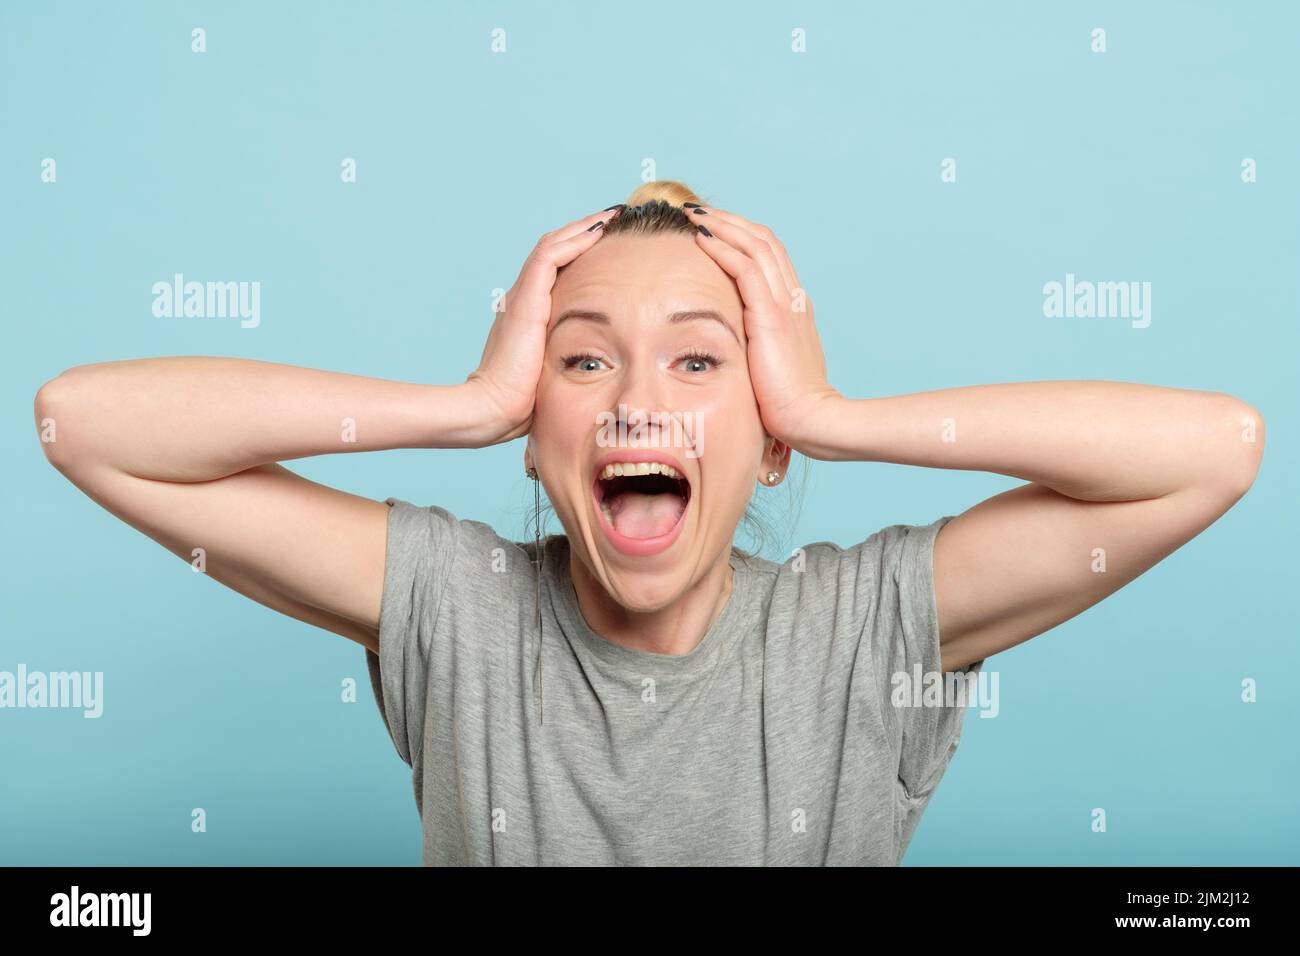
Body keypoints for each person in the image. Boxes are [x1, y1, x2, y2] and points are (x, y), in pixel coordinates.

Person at [33, 181, 1265, 866]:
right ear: (534, 421)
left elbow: (1215, 452)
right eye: (579, 365)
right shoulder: (454, 610)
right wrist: (459, 406)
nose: (634, 401)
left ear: (767, 433)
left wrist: (835, 413)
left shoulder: (863, 630)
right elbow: (83, 422)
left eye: (696, 364)